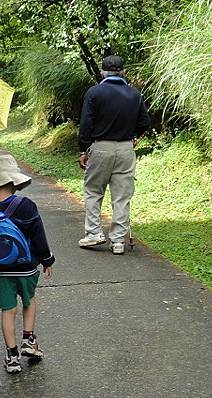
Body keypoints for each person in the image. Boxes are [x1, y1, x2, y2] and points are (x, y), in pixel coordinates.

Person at [0, 155, 55, 374]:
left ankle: (12, 356)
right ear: (13, 182)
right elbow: (39, 237)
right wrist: (46, 259)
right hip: (27, 268)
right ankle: (29, 339)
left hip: (1, 272)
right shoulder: (27, 206)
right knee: (29, 301)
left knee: (8, 310)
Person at [77, 55, 150, 255]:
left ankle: (94, 233)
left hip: (101, 148)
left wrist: (83, 149)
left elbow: (86, 124)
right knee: (122, 196)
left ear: (102, 73)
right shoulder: (135, 94)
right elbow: (144, 122)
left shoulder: (94, 93)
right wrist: (135, 136)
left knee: (93, 191)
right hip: (126, 149)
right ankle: (118, 241)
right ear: (123, 72)